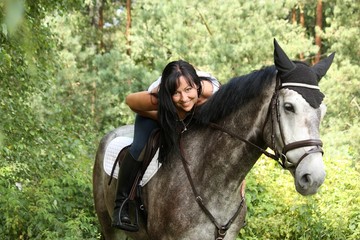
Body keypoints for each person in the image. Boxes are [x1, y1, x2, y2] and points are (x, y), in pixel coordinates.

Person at [111, 60, 220, 230]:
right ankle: (121, 205)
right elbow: (130, 101)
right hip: (155, 114)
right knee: (140, 146)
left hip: (188, 118)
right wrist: (168, 116)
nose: (184, 98)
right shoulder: (159, 96)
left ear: (197, 87)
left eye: (188, 90)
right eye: (176, 93)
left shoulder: (213, 93)